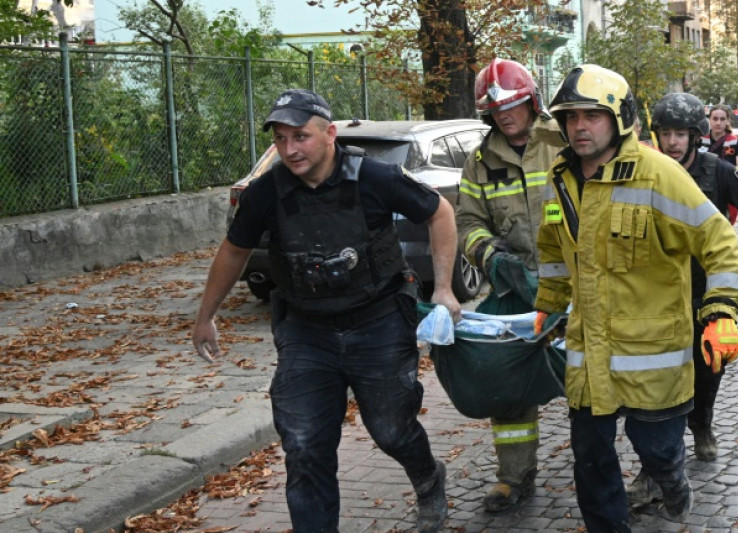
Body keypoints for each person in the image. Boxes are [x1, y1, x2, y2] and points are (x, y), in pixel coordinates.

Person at [191, 89, 460, 533]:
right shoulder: (267, 193)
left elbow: (440, 212)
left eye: (301, 136)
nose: (290, 149)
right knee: (303, 444)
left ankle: (429, 479)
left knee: (391, 430)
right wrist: (206, 316)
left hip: (379, 322)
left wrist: (446, 288)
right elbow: (234, 250)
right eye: (280, 139)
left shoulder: (375, 178)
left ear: (330, 134)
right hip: (306, 331)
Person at [535, 65, 738, 531]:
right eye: (571, 117)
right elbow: (553, 245)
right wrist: (548, 301)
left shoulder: (658, 175)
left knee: (657, 451)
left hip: (654, 357)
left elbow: (720, 244)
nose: (579, 127)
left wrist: (721, 312)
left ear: (620, 118)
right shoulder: (560, 177)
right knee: (590, 461)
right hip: (589, 353)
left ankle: (672, 481)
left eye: (592, 115)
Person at [646, 92, 738, 469]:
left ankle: (702, 424)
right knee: (659, 377)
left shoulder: (718, 171)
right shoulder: (645, 173)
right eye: (666, 133)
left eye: (680, 134)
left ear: (695, 135)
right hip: (658, 295)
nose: (672, 142)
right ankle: (657, 461)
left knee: (707, 369)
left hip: (710, 292)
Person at [455, 57, 564, 512]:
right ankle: (513, 477)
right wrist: (492, 257)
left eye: (514, 105)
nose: (504, 115)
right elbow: (466, 223)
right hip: (514, 288)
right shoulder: (480, 162)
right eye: (496, 109)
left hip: (575, 281)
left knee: (592, 378)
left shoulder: (564, 140)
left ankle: (604, 467)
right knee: (507, 381)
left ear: (531, 101)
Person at [703, 104, 738, 173]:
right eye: (715, 119)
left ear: (727, 121)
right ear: (709, 120)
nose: (718, 123)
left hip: (727, 180)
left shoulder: (734, 141)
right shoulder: (700, 140)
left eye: (722, 119)